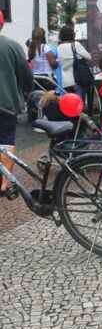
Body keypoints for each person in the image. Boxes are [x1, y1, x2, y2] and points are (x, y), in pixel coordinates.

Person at [0, 11, 33, 195]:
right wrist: (27, 90)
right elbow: (26, 76)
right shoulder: (12, 46)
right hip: (6, 103)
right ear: (2, 24)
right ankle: (4, 183)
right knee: (5, 139)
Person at [55, 25, 92, 95]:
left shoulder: (58, 48)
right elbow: (89, 57)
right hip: (76, 80)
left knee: (68, 103)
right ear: (72, 34)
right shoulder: (76, 45)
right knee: (78, 103)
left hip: (64, 82)